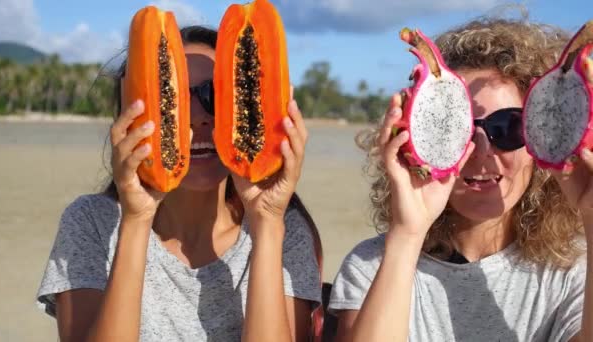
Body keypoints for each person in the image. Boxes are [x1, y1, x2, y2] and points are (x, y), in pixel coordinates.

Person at [36, 26, 322, 342]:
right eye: (170, 98)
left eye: (213, 94)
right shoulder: (92, 223)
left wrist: (267, 223)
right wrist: (136, 220)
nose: (196, 117)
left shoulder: (285, 232)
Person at [329, 17, 592, 341]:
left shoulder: (572, 270)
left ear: (540, 137)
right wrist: (407, 233)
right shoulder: (372, 266)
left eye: (507, 128)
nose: (481, 151)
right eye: (458, 130)